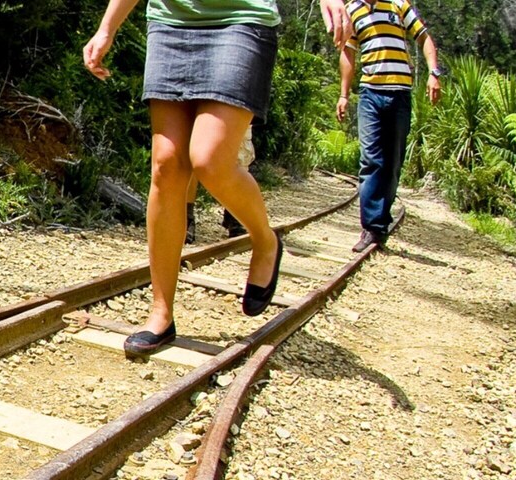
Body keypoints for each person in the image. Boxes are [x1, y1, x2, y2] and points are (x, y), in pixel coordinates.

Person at [85, 0, 352, 355]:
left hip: (241, 20)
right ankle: (161, 314)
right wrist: (107, 27)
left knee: (209, 159)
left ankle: (265, 240)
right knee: (166, 165)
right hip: (170, 22)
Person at [337, 0, 442, 252]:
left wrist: (433, 73)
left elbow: (424, 37)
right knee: (371, 160)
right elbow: (348, 52)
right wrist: (343, 94)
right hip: (370, 93)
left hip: (400, 94)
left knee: (393, 162)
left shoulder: (398, 5)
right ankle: (371, 227)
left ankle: (380, 224)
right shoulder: (352, 10)